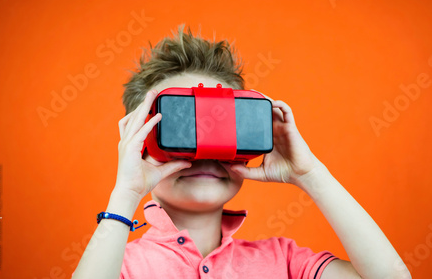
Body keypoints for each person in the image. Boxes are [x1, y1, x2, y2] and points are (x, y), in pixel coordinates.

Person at [72, 25, 411, 279]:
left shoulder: (284, 261)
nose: (203, 152)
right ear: (139, 141)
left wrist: (310, 175)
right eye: (181, 125)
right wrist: (126, 192)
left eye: (221, 123)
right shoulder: (121, 265)